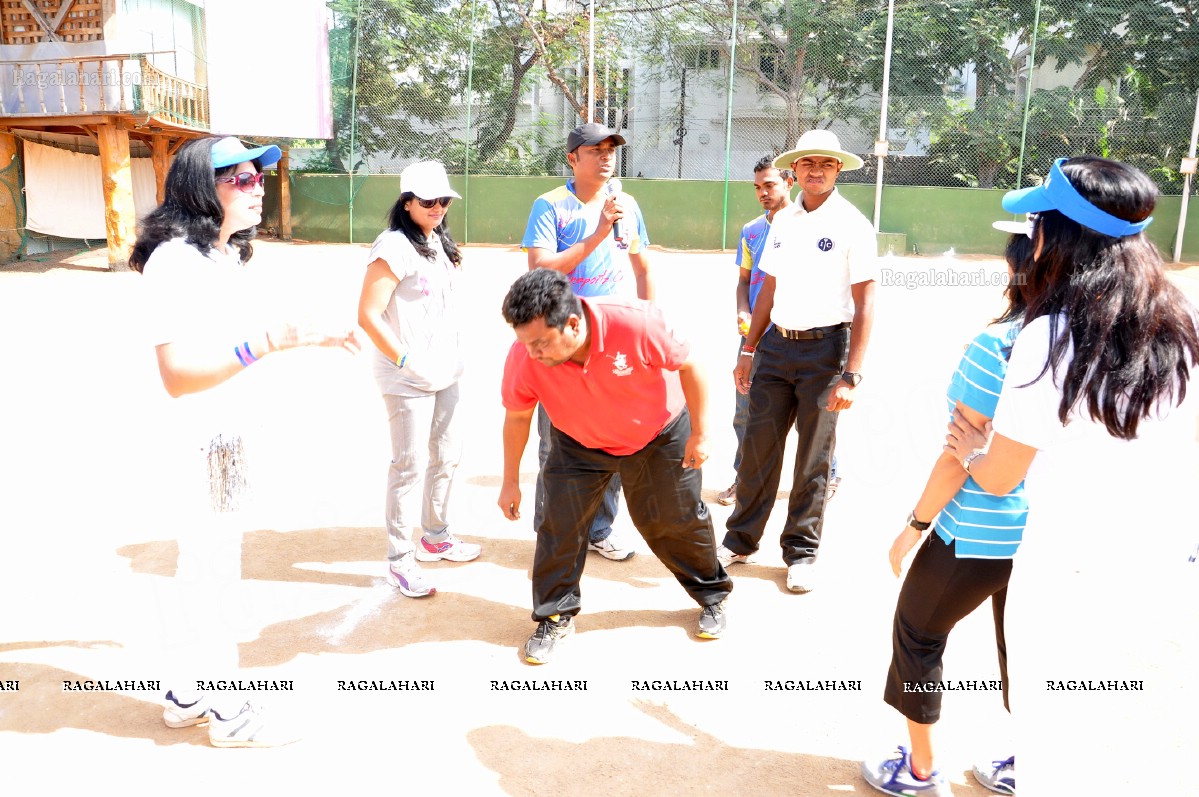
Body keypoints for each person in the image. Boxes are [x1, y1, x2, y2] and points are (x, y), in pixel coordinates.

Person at [945, 156, 1199, 794]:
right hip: (1166, 555)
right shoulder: (1176, 322)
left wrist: (973, 445)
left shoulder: (1051, 335)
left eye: (1035, 223)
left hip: (1071, 559)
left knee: (1052, 710)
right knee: (1117, 714)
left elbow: (1000, 477)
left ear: (1059, 237)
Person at [131, 136, 359, 747]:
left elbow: (244, 336)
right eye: (241, 179)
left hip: (223, 440)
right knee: (214, 571)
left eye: (259, 177)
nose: (257, 187)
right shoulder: (176, 262)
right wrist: (267, 342)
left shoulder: (221, 255)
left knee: (198, 565)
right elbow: (178, 375)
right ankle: (229, 714)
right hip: (199, 445)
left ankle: (186, 693)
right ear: (204, 189)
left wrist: (306, 334)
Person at [861, 230, 1032, 797]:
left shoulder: (1002, 345)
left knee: (918, 635)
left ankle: (920, 771)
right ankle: (1023, 761)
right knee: (1025, 649)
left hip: (976, 534)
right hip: (1041, 537)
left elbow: (961, 455)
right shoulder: (1095, 343)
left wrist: (912, 528)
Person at [497, 268, 732, 664]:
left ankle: (712, 596)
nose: (532, 353)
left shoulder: (634, 322)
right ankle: (554, 615)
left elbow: (691, 367)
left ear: (573, 323)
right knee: (559, 526)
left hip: (657, 435)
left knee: (673, 522)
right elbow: (518, 417)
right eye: (526, 344)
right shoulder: (524, 355)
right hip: (577, 442)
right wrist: (509, 481)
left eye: (540, 343)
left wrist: (701, 434)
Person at [720, 129, 877, 594]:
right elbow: (767, 285)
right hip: (774, 348)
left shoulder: (853, 225)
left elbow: (867, 303)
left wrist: (851, 375)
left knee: (813, 459)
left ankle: (801, 553)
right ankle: (741, 540)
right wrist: (750, 347)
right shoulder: (783, 221)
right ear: (796, 170)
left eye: (826, 165)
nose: (816, 171)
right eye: (808, 163)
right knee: (756, 450)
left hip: (826, 354)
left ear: (837, 170)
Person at [521, 122, 654, 562]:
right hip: (562, 343)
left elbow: (643, 269)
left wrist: (648, 323)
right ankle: (552, 532)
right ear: (572, 158)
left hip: (613, 339)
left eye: (611, 149)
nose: (606, 156)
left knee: (614, 438)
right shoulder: (550, 206)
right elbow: (540, 271)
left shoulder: (627, 205)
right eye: (594, 150)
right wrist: (596, 232)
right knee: (556, 442)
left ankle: (599, 529)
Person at [357, 160, 481, 598]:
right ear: (406, 202)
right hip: (404, 376)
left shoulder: (439, 243)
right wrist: (407, 360)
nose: (438, 206)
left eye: (444, 199)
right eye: (428, 200)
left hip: (446, 371)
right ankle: (399, 559)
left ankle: (435, 536)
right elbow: (369, 316)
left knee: (446, 455)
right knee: (408, 465)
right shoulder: (392, 246)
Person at [715, 157, 843, 507]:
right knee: (745, 409)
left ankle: (827, 474)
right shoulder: (751, 231)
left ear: (789, 181)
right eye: (757, 187)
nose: (763, 192)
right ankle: (743, 478)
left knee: (811, 415)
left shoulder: (814, 224)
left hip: (801, 336)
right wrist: (744, 312)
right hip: (756, 335)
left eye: (769, 184)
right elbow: (744, 281)